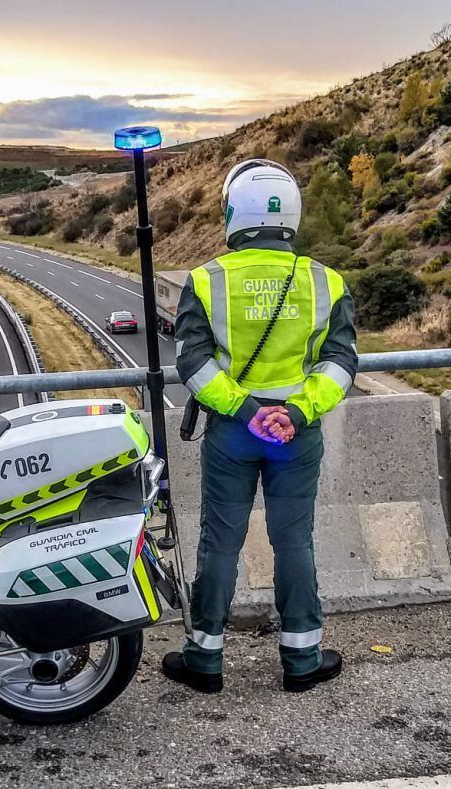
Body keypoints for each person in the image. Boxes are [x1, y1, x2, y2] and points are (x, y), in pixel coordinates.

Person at [161, 159, 357, 693]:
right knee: (295, 543)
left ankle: (204, 661)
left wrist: (249, 414)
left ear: (232, 213)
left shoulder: (205, 280)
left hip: (233, 432)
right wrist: (293, 413)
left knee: (220, 544)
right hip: (297, 434)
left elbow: (194, 366)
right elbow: (339, 365)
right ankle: (302, 659)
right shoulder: (327, 281)